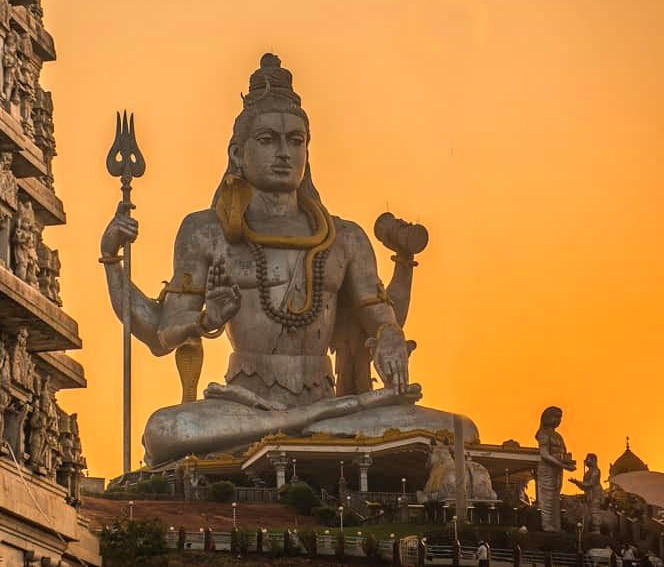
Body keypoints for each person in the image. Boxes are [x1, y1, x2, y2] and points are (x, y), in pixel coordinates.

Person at [100, 53, 478, 466]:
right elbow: (162, 332)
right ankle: (307, 425)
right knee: (167, 430)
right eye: (267, 140)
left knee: (463, 430)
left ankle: (303, 424)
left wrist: (388, 336)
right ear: (238, 153)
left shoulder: (345, 238)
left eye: (295, 141)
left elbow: (380, 316)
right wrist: (114, 261)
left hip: (332, 400)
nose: (283, 153)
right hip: (243, 404)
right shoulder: (206, 231)